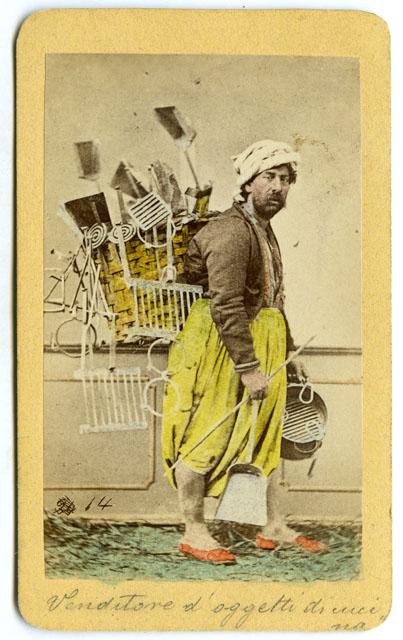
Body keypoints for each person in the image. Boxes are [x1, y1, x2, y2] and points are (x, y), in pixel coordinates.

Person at [162, 139, 324, 563]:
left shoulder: (263, 229)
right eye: (269, 177)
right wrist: (249, 367)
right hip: (220, 346)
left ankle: (271, 525)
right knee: (206, 435)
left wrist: (289, 350)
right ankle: (194, 531)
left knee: (264, 435)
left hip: (263, 342)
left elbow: (272, 300)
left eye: (285, 179)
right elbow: (227, 305)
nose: (278, 187)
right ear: (248, 182)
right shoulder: (231, 230)